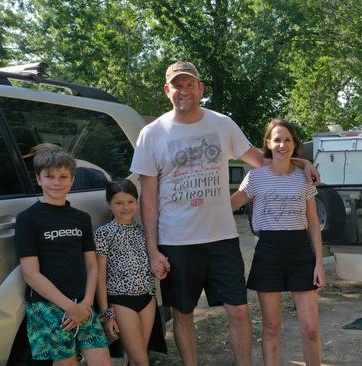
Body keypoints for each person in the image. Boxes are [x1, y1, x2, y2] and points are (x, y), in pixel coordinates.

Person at [129, 60, 320, 366]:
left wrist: (300, 163)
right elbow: (147, 198)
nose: (184, 90)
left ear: (201, 88)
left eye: (190, 84)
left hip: (222, 238)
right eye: (177, 85)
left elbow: (263, 161)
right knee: (183, 313)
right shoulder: (152, 134)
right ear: (168, 90)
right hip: (177, 240)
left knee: (239, 311)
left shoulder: (222, 124)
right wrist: (153, 251)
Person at [231, 118, 325, 366]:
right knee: (271, 328)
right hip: (268, 253)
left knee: (311, 329)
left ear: (294, 144)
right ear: (268, 144)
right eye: (277, 139)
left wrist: (319, 263)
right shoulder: (255, 177)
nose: (282, 144)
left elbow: (314, 224)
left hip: (300, 252)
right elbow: (231, 204)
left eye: (287, 140)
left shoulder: (304, 178)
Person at [14, 148, 111, 366]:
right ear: (38, 178)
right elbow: (30, 274)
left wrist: (85, 304)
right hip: (47, 306)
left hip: (83, 305)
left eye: (63, 176)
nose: (56, 182)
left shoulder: (81, 218)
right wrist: (70, 307)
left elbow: (92, 265)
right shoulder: (28, 219)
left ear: (72, 179)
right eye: (49, 176)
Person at [95, 179, 159, 366]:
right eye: (119, 203)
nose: (125, 207)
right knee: (141, 360)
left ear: (137, 202)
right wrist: (106, 315)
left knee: (137, 357)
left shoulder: (143, 232)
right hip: (121, 301)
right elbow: (100, 277)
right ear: (109, 204)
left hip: (147, 299)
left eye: (130, 202)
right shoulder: (104, 233)